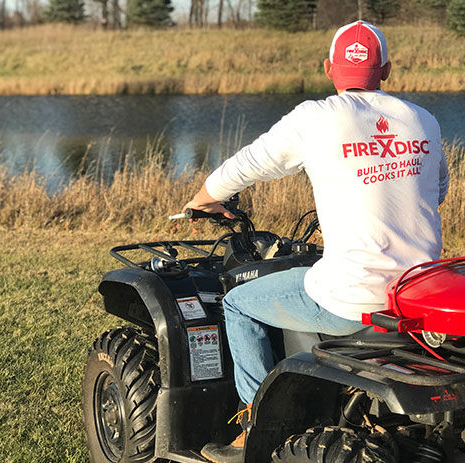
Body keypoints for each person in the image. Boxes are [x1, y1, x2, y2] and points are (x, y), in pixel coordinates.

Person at [183, 20, 449, 463]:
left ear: (329, 69)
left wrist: (205, 197)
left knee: (238, 303)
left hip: (354, 299)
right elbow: (436, 191)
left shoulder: (317, 117)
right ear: (386, 70)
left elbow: (250, 163)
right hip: (417, 294)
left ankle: (257, 425)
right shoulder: (423, 120)